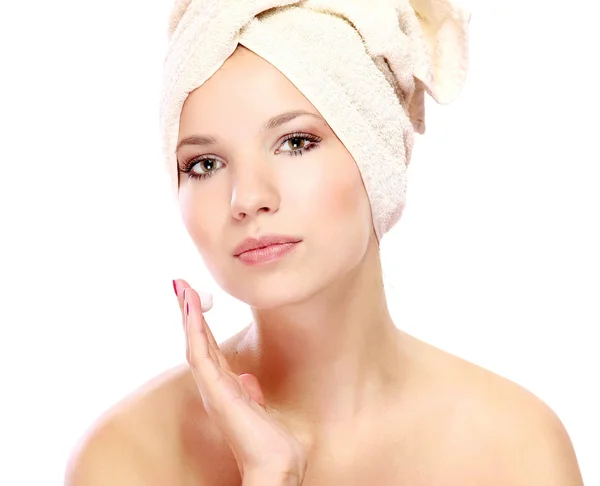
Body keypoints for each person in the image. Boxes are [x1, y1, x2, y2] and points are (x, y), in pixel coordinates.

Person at [65, 1, 584, 485]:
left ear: (378, 154)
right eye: (205, 164)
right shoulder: (127, 458)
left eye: (295, 142)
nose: (248, 199)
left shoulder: (517, 451)